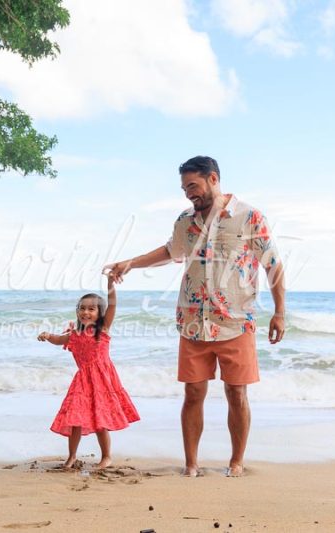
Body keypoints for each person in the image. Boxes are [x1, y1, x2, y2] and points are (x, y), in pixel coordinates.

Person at [105, 155, 285, 477]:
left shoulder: (249, 217)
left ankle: (236, 462)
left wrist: (279, 312)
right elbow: (169, 251)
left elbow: (273, 264)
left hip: (236, 322)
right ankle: (191, 464)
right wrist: (130, 263)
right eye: (184, 188)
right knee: (192, 393)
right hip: (192, 322)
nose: (189, 193)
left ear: (213, 179)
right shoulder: (185, 220)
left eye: (193, 186)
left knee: (236, 393)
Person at [37, 275, 140, 469]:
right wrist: (47, 335)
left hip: (102, 381)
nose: (86, 312)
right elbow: (58, 340)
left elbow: (113, 305)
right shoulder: (74, 335)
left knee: (100, 419)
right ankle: (71, 456)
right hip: (82, 381)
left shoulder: (103, 330)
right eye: (82, 308)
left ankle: (106, 456)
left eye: (91, 309)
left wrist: (110, 284)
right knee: (74, 418)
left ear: (100, 313)